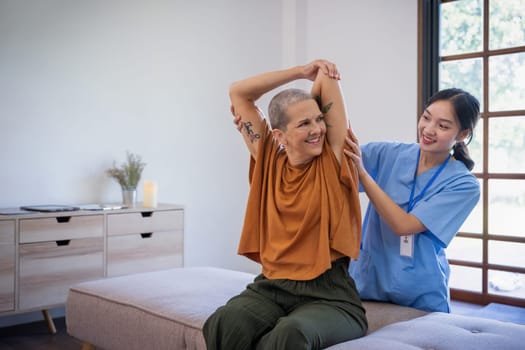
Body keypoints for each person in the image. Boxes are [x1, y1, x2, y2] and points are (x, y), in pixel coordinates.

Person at [203, 60, 367, 350]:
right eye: (305, 123)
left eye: (319, 119)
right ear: (279, 135)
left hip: (329, 295)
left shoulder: (332, 159)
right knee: (225, 322)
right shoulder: (268, 157)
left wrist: (312, 81)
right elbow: (238, 92)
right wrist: (299, 72)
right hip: (271, 287)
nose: (318, 129)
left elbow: (327, 80)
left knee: (291, 333)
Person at [345, 88, 481, 313]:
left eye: (443, 126)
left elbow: (404, 225)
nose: (428, 130)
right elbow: (336, 157)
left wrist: (363, 175)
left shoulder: (464, 185)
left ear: (462, 134)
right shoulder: (388, 153)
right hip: (367, 284)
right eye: (426, 117)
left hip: (421, 296)